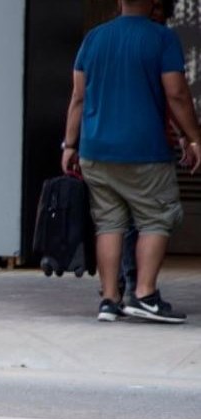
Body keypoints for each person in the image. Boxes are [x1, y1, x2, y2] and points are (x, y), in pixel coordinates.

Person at [62, 0, 201, 324]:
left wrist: (69, 144)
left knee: (109, 223)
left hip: (96, 151)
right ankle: (144, 295)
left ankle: (109, 300)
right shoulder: (161, 38)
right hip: (144, 151)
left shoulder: (93, 38)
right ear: (153, 1)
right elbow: (177, 94)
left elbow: (78, 96)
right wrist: (194, 137)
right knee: (155, 218)